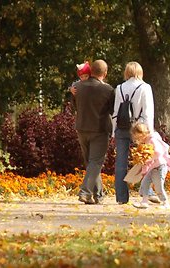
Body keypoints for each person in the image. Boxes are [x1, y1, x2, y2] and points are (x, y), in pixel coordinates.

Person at [112, 61, 157, 205]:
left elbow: (115, 112)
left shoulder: (119, 88)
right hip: (139, 128)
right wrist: (149, 132)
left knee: (120, 163)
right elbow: (148, 112)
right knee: (145, 160)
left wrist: (114, 131)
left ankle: (121, 197)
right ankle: (146, 191)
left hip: (122, 127)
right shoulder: (144, 87)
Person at [72, 59, 115, 204]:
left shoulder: (77, 86)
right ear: (105, 73)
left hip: (81, 128)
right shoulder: (108, 90)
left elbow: (74, 106)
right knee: (96, 162)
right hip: (99, 129)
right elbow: (112, 110)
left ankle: (98, 195)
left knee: (91, 163)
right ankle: (85, 192)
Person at [130, 123, 170, 209]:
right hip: (152, 168)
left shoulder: (152, 140)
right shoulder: (145, 142)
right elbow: (146, 161)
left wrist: (148, 159)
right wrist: (144, 170)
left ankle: (165, 202)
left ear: (144, 133)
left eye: (139, 137)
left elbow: (158, 153)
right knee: (144, 184)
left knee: (158, 186)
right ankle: (144, 202)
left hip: (159, 167)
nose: (138, 140)